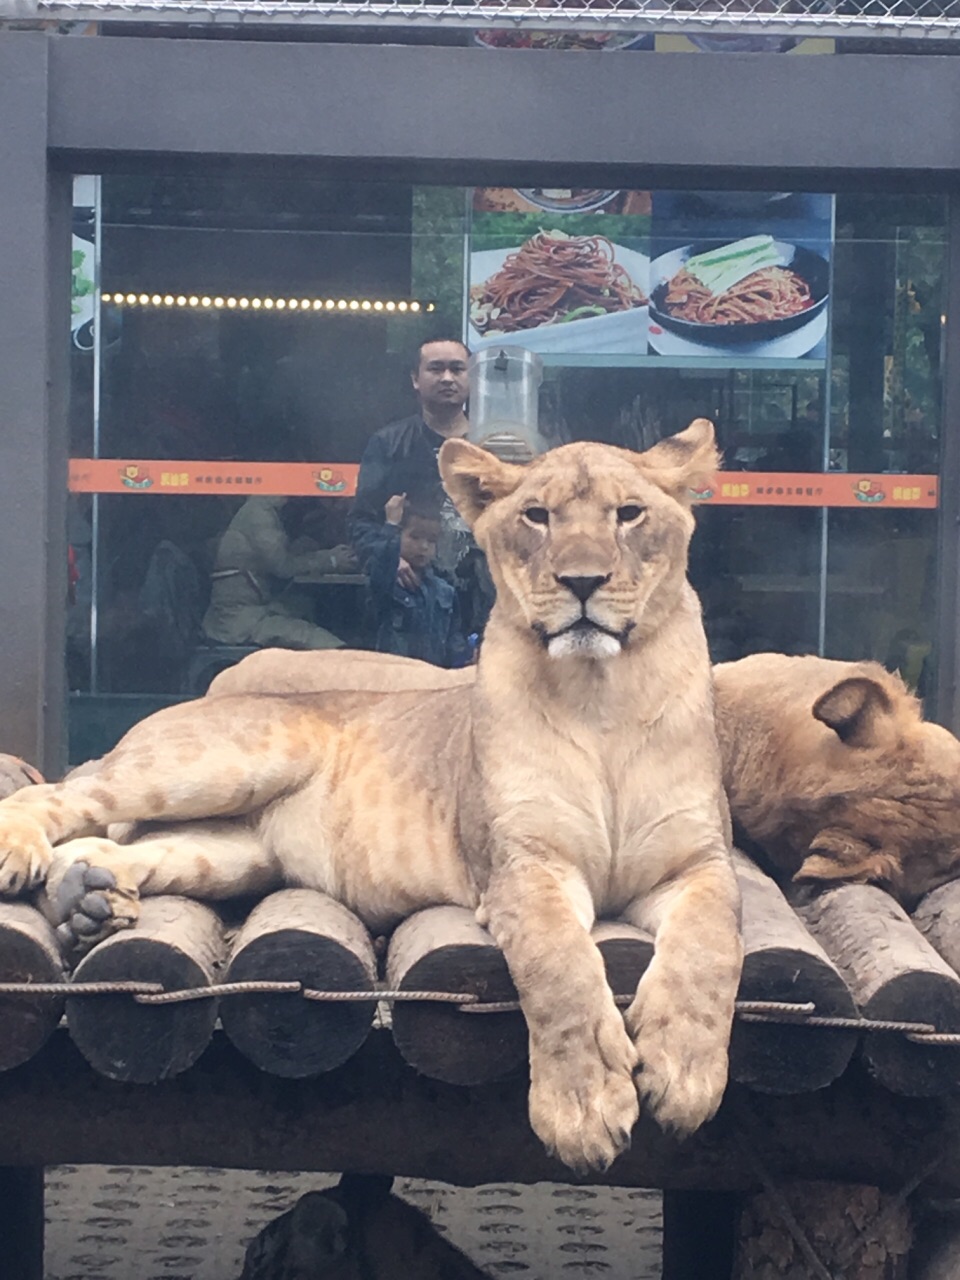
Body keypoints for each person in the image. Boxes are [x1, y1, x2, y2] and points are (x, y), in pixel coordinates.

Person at [348, 338, 470, 586]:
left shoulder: (493, 444)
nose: (447, 378)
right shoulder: (388, 444)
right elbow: (360, 523)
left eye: (457, 369)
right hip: (412, 592)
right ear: (415, 379)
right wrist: (389, 559)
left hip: (481, 594)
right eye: (436, 369)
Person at [202, 495, 356, 651]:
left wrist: (314, 543)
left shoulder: (262, 512)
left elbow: (285, 554)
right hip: (241, 620)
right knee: (319, 639)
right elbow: (283, 566)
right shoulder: (258, 514)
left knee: (307, 604)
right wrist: (331, 560)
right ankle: (346, 663)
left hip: (255, 610)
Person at [366, 494, 471, 669]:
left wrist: (466, 656)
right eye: (415, 537)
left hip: (432, 680)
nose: (423, 546)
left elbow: (453, 639)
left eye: (431, 541)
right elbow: (381, 564)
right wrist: (391, 524)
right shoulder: (389, 583)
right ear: (398, 535)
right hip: (393, 679)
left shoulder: (445, 591)